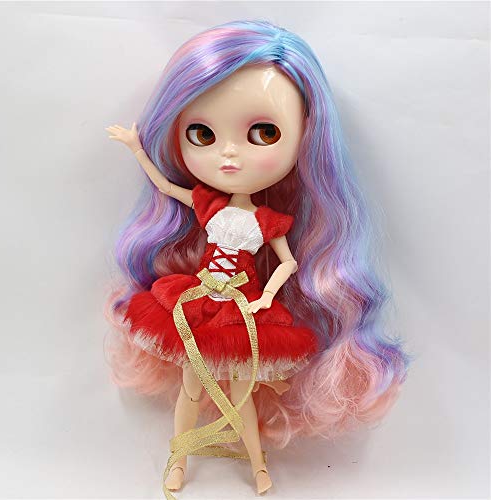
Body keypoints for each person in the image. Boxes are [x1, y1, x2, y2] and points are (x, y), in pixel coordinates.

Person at [104, 20, 411, 499]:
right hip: (198, 302)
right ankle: (177, 460)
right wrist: (136, 148)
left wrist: (267, 295)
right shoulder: (208, 205)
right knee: (192, 388)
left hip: (243, 311)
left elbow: (287, 263)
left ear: (306, 135)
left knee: (241, 395)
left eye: (264, 133)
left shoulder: (269, 222)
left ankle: (258, 464)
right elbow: (165, 186)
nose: (229, 155)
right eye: (202, 133)